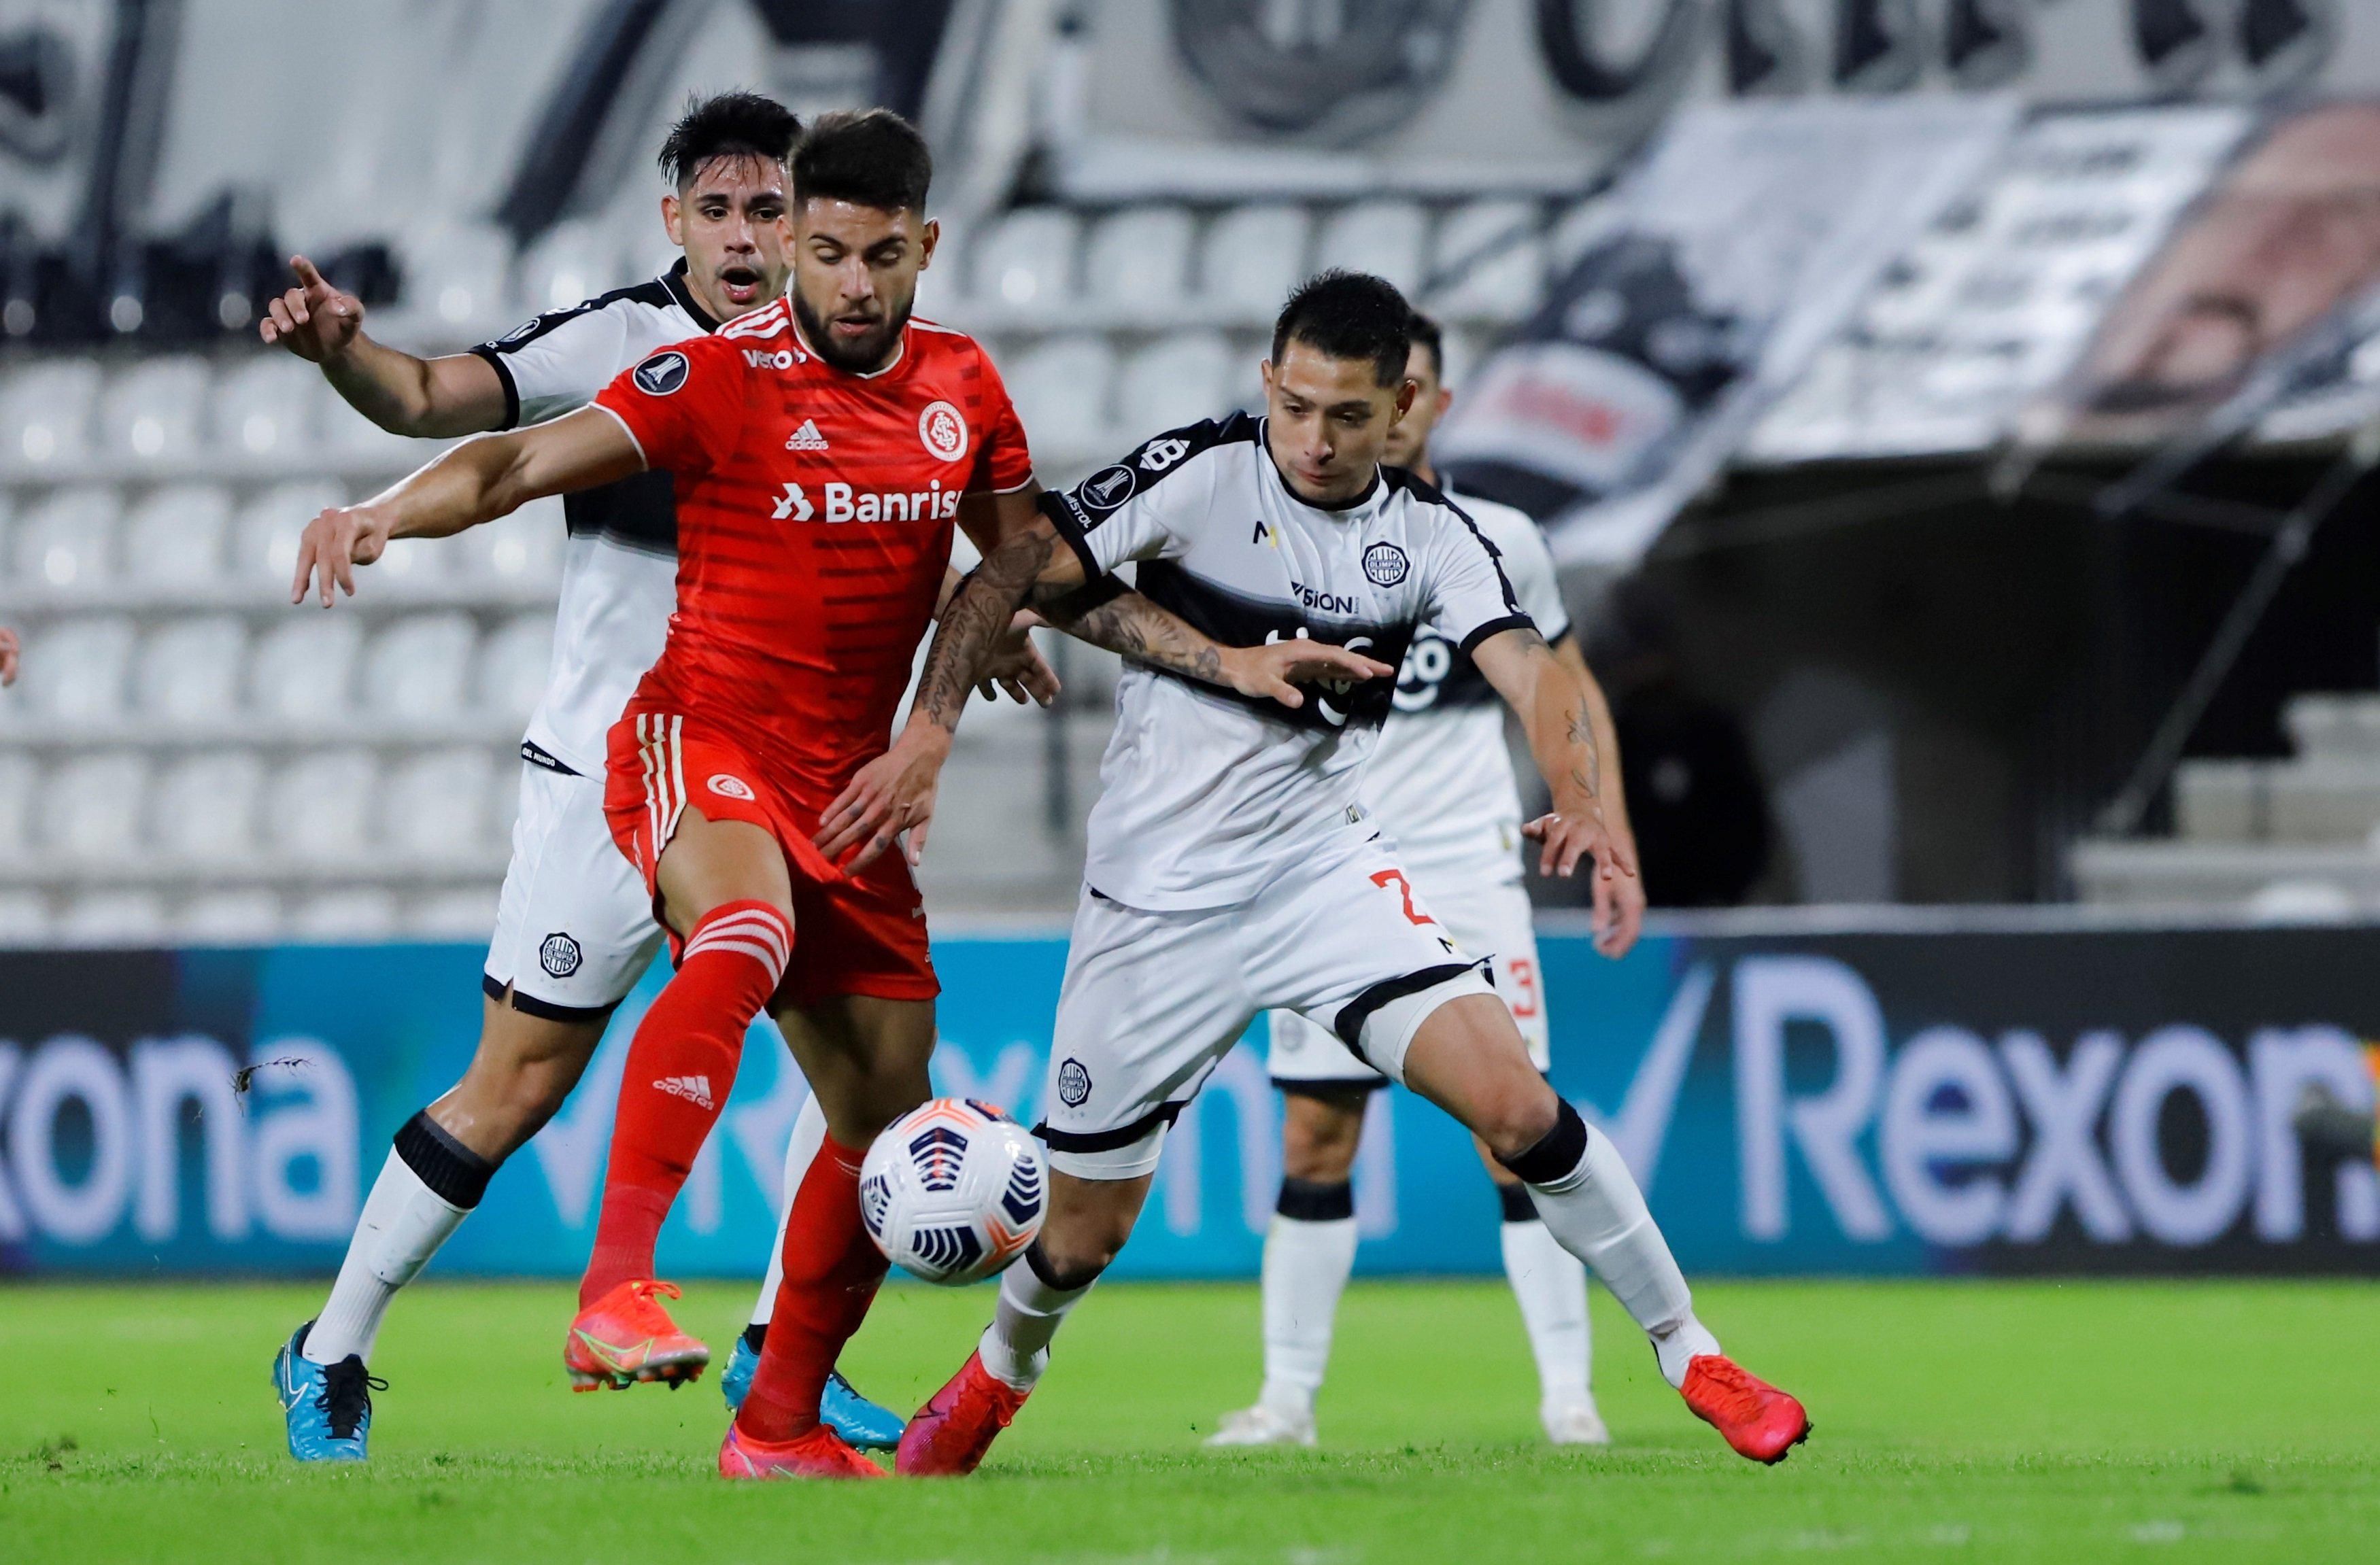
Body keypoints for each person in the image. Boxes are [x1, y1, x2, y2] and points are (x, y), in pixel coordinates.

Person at [286, 109, 1375, 1481]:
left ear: (926, 247)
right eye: (823, 250)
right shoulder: (702, 368)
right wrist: (387, 510)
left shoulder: (962, 388)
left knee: (880, 1105)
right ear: (772, 237)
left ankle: (778, 1420)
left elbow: (1026, 566)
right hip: (680, 742)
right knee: (645, 999)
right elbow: (498, 451)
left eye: (881, 256)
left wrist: (1216, 654)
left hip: (840, 790)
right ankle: (583, 1296)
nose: (851, 283)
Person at [836, 270, 1811, 1478]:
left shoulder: (1436, 542)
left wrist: (1583, 795)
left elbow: (1537, 674)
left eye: (1348, 415)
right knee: (1082, 1232)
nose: (1314, 437)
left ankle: (1690, 1350)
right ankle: (995, 1379)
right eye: (1295, 405)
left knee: (1517, 1106)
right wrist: (927, 736)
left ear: (1403, 404)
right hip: (1154, 906)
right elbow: (1005, 576)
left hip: (1320, 875)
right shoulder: (1199, 470)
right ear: (1268, 383)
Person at [262, 91, 929, 1462]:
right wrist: (347, 361)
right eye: (723, 211)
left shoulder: (863, 367)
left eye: (772, 212)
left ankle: (780, 1362)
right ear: (674, 218)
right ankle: (329, 1345)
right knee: (511, 1087)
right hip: (606, 776)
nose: (749, 240)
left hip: (781, 770)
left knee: (863, 1076)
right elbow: (437, 403)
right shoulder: (627, 341)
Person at [1206, 313, 1644, 1451]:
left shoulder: (1496, 537)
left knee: (1520, 1137)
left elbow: (1567, 690)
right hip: (1329, 872)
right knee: (1316, 1141)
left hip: (1470, 875)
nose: (1381, 414)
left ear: (1431, 405)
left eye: (1403, 391)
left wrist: (1613, 835)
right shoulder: (1272, 534)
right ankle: (1287, 1402)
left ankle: (1569, 1398)